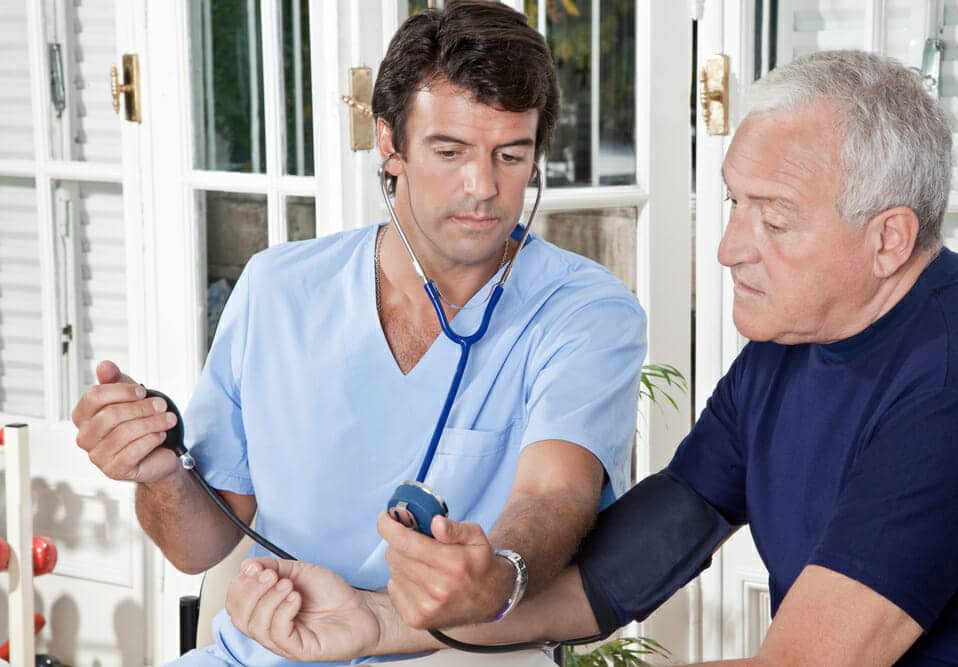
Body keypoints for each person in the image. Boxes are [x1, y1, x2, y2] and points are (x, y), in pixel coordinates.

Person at [224, 50, 958, 666]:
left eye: (775, 220)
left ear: (889, 238)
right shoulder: (790, 345)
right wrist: (375, 620)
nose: (730, 250)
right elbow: (613, 579)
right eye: (734, 205)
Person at [70, 2, 646, 665]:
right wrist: (159, 472)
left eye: (510, 155)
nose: (483, 187)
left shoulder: (584, 311)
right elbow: (197, 544)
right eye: (449, 150)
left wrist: (498, 568)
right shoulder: (277, 290)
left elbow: (555, 493)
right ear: (389, 143)